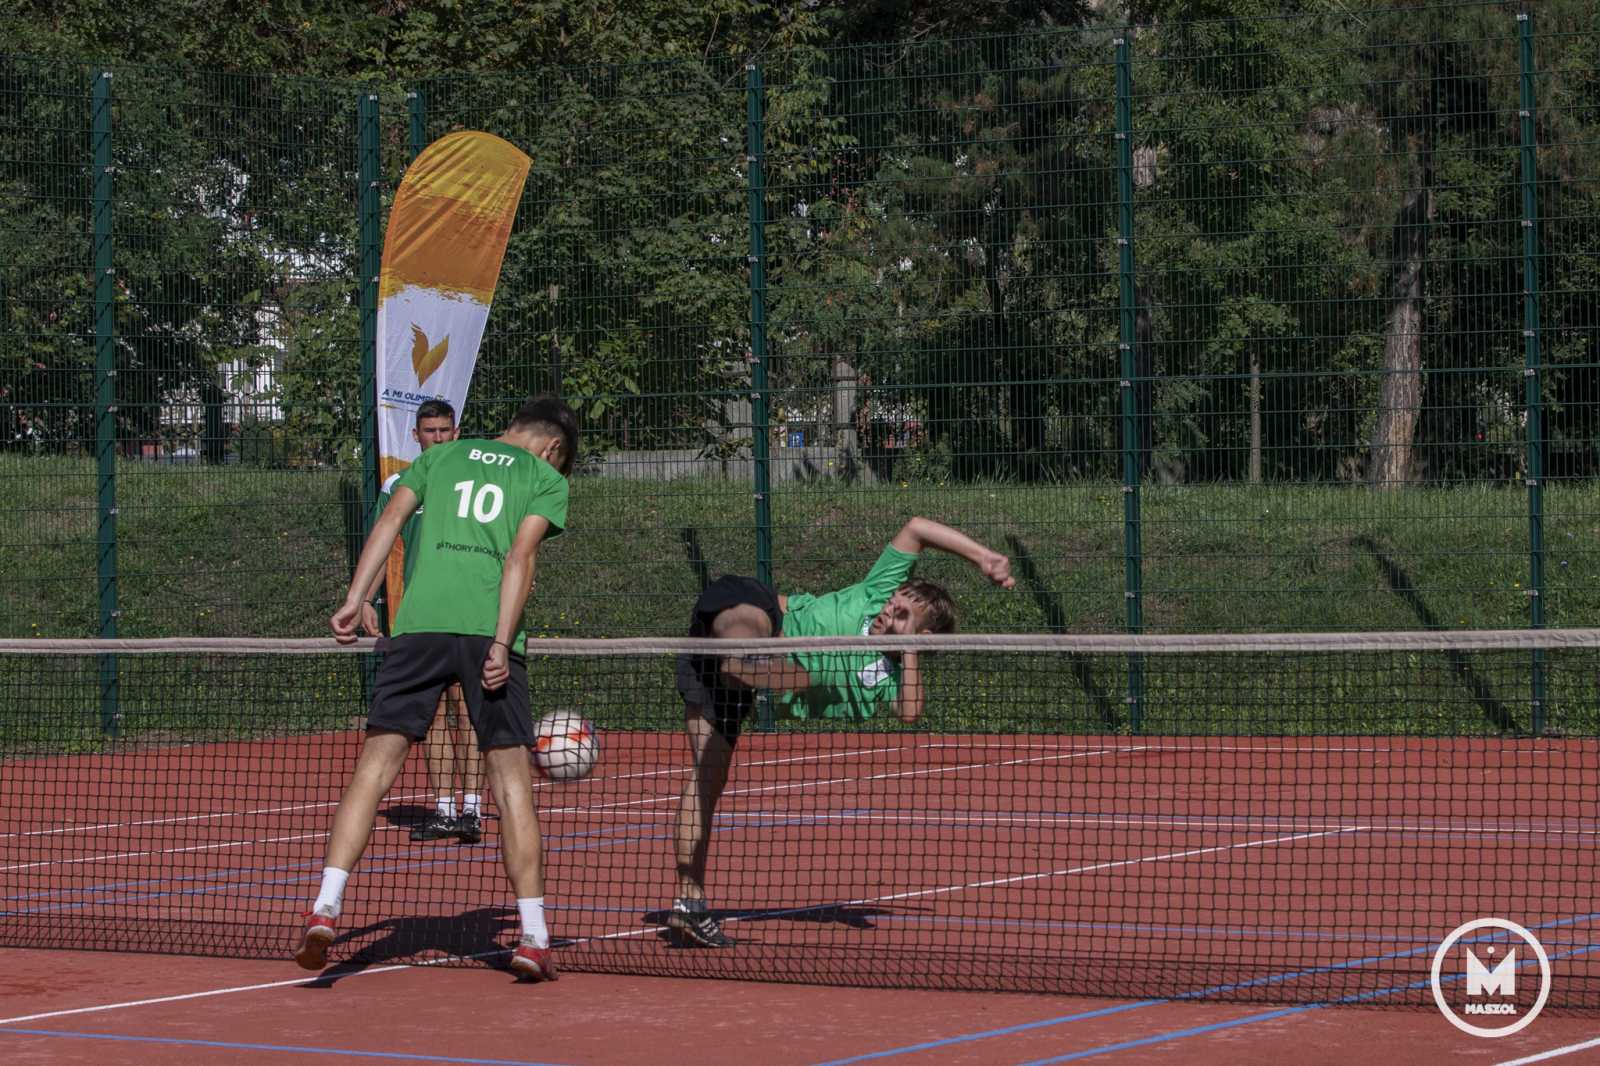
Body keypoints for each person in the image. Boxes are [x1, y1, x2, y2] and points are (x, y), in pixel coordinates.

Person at [295, 395, 579, 983]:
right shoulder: (544, 478)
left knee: (373, 770)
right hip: (484, 634)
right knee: (511, 787)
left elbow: (390, 522)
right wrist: (501, 643)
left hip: (418, 627)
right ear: (552, 448)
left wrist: (356, 598)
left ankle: (325, 905)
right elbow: (519, 561)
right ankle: (532, 936)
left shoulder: (440, 457)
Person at [667, 516, 1015, 948]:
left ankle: (689, 904)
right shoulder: (873, 592)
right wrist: (984, 557)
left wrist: (908, 653)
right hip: (757, 618)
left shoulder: (889, 675)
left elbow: (909, 712)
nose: (891, 608)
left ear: (922, 637)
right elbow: (917, 529)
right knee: (750, 623)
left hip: (730, 682)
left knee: (707, 780)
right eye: (894, 600)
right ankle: (746, 656)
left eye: (904, 614)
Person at [361, 399, 486, 846]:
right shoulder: (399, 484)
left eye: (444, 430)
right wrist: (366, 599)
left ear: (456, 432)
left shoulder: (475, 480)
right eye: (429, 430)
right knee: (432, 715)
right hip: (418, 616)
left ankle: (472, 808)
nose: (437, 437)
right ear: (416, 436)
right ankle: (445, 808)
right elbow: (384, 538)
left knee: (467, 710)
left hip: (469, 613)